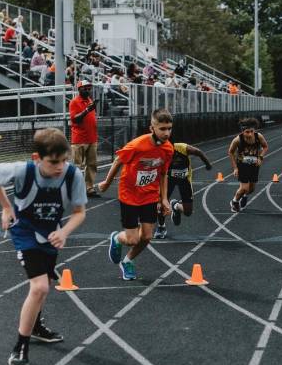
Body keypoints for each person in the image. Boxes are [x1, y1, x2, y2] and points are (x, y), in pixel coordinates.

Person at [0, 128, 87, 365]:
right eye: (53, 162)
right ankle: (20, 347)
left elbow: (80, 213)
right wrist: (6, 207)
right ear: (36, 158)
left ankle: (37, 326)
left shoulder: (73, 175)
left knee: (47, 282)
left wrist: (64, 232)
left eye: (64, 160)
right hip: (25, 232)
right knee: (39, 287)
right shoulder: (23, 170)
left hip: (51, 233)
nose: (60, 167)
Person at [98, 109, 174, 280]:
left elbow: (163, 173)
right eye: (162, 128)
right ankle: (117, 238)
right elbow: (118, 161)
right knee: (132, 239)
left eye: (169, 128)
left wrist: (164, 199)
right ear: (151, 128)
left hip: (149, 195)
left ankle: (127, 261)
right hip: (129, 195)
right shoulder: (137, 145)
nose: (167, 133)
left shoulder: (168, 149)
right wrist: (107, 183)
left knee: (147, 236)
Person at [153, 142, 212, 239]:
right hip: (168, 179)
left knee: (188, 212)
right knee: (161, 202)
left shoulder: (183, 148)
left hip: (184, 179)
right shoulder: (160, 153)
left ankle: (175, 206)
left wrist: (208, 164)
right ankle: (161, 227)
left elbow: (199, 152)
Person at [228, 118, 269, 212]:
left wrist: (261, 157)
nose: (250, 134)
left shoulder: (259, 137)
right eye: (247, 132)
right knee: (244, 188)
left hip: (254, 165)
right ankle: (234, 202)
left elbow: (265, 147)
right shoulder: (237, 140)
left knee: (251, 189)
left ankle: (245, 196)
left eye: (251, 131)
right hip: (242, 165)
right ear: (242, 131)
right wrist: (235, 168)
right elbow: (230, 152)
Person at [69, 80, 100, 197]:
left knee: (92, 164)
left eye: (89, 88)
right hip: (79, 139)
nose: (87, 90)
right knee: (77, 165)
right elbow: (75, 119)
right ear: (79, 89)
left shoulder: (90, 101)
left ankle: (89, 188)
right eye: (85, 88)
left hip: (92, 138)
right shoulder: (74, 102)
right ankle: (75, 189)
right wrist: (87, 110)